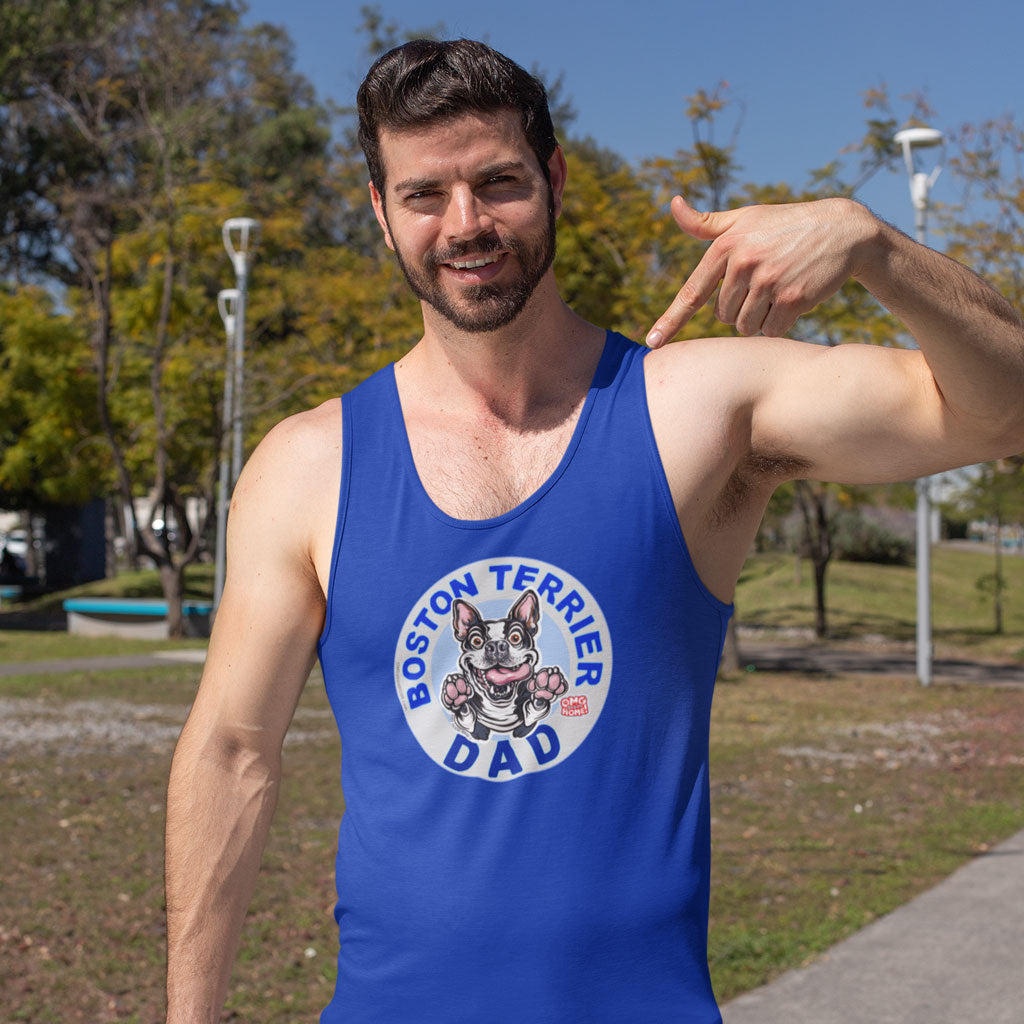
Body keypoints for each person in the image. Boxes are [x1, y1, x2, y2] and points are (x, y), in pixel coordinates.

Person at [164, 38, 1024, 1024]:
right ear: (378, 211)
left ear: (556, 180)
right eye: (423, 195)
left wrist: (872, 244)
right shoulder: (308, 464)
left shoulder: (697, 407)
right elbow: (232, 748)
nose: (465, 224)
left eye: (498, 183)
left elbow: (1002, 410)